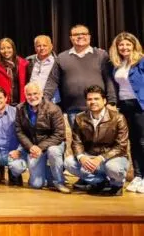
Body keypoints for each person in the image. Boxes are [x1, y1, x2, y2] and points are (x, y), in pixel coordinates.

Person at [44, 24, 117, 127]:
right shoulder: (62, 57)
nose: (80, 36)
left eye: (84, 33)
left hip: (99, 107)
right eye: (76, 34)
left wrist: (112, 102)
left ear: (89, 37)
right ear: (71, 38)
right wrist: (44, 101)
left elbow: (109, 80)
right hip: (73, 109)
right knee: (79, 141)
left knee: (101, 140)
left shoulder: (101, 55)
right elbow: (52, 81)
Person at [64, 85, 129, 196]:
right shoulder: (80, 118)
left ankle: (117, 185)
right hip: (90, 156)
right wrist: (82, 157)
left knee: (113, 168)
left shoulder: (118, 118)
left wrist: (101, 158)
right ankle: (100, 182)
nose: (92, 102)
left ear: (104, 101)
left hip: (112, 158)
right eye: (89, 99)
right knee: (69, 162)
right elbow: (76, 142)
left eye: (96, 99)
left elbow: (121, 145)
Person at [9, 82, 69, 193]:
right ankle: (50, 175)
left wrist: (40, 147)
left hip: (52, 144)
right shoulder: (20, 108)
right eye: (29, 94)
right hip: (33, 147)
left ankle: (59, 182)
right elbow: (19, 131)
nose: (32, 97)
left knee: (53, 151)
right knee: (36, 185)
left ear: (41, 93)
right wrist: (31, 146)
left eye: (35, 93)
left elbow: (59, 134)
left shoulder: (54, 109)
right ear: (25, 95)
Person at [109, 32, 144, 193]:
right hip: (125, 106)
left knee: (143, 141)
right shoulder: (118, 64)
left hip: (140, 105)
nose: (124, 47)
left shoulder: (141, 61)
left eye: (127, 44)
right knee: (133, 142)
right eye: (121, 45)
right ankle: (138, 176)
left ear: (134, 45)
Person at [0, 38, 29, 107]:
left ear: (13, 48)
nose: (6, 51)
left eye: (8, 48)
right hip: (0, 105)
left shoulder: (23, 64)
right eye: (2, 48)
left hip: (20, 105)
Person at [26, 35, 60, 104]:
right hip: (31, 100)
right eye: (38, 46)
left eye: (45, 45)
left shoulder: (58, 62)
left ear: (51, 46)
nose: (42, 48)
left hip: (51, 101)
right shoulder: (28, 61)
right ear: (35, 48)